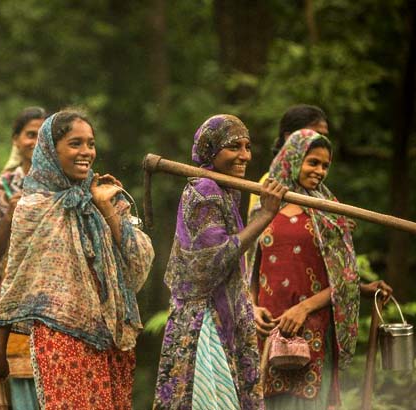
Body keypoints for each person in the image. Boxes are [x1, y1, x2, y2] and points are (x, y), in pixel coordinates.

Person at [0, 108, 154, 409]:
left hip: (111, 338)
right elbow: (15, 280)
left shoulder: (106, 196)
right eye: (75, 143)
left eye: (90, 143)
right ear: (51, 149)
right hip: (59, 338)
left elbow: (139, 262)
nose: (86, 151)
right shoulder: (33, 207)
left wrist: (106, 208)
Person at [249, 129, 392, 409]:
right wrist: (251, 307)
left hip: (311, 331)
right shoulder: (264, 209)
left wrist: (303, 309)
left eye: (325, 165)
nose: (320, 171)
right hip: (266, 331)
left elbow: (345, 280)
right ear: (292, 159)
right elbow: (251, 272)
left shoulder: (330, 214)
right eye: (312, 162)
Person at [153, 114, 288, 409]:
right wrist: (266, 215)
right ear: (211, 151)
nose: (244, 156)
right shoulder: (204, 191)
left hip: (223, 313)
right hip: (205, 320)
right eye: (233, 147)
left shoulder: (226, 191)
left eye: (247, 147)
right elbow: (217, 258)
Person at [0, 106, 46, 410]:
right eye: (30, 134)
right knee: (10, 389)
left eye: (42, 134)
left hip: (50, 304)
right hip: (9, 305)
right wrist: (9, 215)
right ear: (16, 140)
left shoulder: (62, 185)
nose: (35, 141)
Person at [247, 104, 328, 221]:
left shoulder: (315, 185)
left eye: (324, 136)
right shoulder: (270, 183)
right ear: (290, 138)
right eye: (313, 134)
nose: (322, 141)